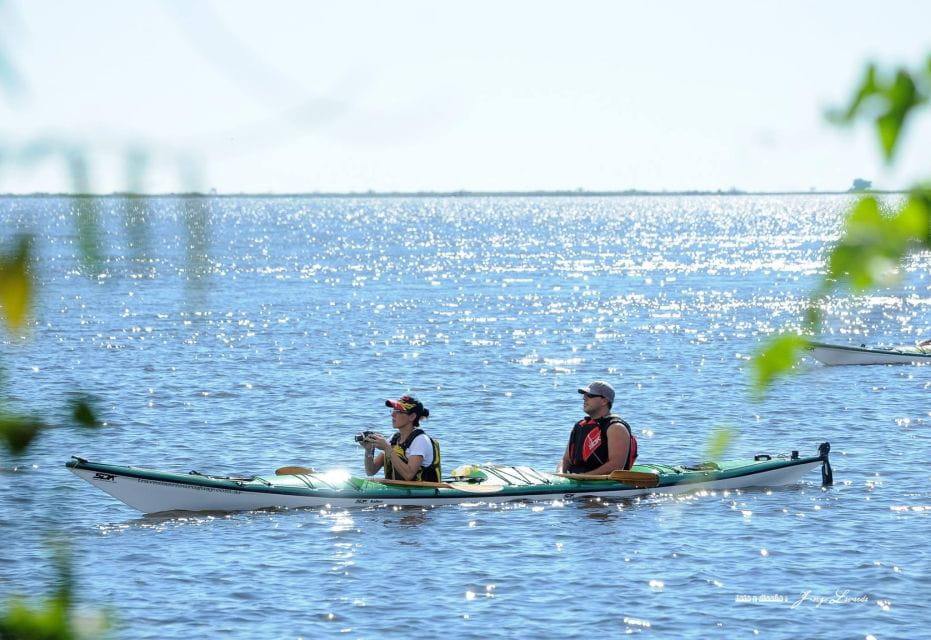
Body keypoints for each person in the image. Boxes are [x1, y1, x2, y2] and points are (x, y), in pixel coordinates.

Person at [558, 380, 637, 474]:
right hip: (577, 479)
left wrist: (584, 477)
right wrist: (560, 474)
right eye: (584, 395)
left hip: (601, 481)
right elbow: (566, 460)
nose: (584, 398)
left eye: (590, 395)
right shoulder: (580, 425)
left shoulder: (616, 428)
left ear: (604, 401)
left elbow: (615, 466)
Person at [362, 395, 442, 482]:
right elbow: (371, 471)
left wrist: (387, 448)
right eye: (393, 410)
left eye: (398, 411)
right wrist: (368, 450)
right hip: (398, 489)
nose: (392, 414)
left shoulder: (421, 440)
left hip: (421, 489)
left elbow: (408, 475)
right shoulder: (393, 439)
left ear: (412, 416)